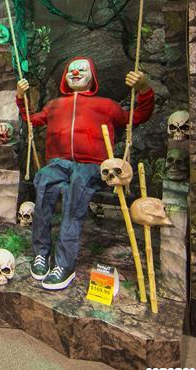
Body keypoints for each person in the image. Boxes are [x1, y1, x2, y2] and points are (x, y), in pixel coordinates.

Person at [16, 57, 154, 291]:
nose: (76, 72)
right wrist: (21, 98)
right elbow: (31, 120)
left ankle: (64, 264)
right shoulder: (55, 105)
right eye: (71, 69)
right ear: (64, 77)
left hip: (91, 164)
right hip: (58, 163)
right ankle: (41, 254)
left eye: (82, 69)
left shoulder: (106, 105)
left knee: (75, 193)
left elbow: (137, 116)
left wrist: (143, 89)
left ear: (93, 76)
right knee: (43, 182)